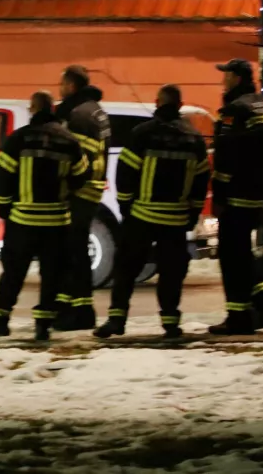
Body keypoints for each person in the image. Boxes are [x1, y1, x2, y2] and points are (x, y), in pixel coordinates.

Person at [0, 91, 90, 341]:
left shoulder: (19, 139)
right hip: (56, 222)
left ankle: (0, 321)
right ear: (52, 109)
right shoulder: (68, 141)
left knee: (12, 274)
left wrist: (4, 208)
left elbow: (3, 176)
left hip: (23, 220)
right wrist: (65, 194)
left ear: (32, 110)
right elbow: (81, 176)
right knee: (52, 275)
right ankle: (43, 325)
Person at [94, 85, 209, 340]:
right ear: (180, 106)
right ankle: (170, 323)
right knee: (171, 273)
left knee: (126, 269)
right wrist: (192, 213)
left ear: (157, 102)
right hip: (175, 219)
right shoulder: (194, 138)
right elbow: (201, 181)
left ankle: (116, 320)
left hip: (142, 216)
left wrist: (126, 206)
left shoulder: (143, 133)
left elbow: (126, 173)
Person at [210, 59, 263, 335]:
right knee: (246, 252)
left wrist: (219, 193)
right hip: (258, 191)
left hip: (236, 192)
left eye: (226, 75)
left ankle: (238, 315)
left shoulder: (235, 109)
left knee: (231, 256)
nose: (223, 81)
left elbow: (226, 154)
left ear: (236, 78)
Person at [53, 65, 111, 331]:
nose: (60, 89)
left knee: (72, 252)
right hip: (92, 189)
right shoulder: (96, 111)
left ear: (71, 86)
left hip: (78, 192)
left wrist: (65, 186)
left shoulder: (78, 115)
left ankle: (80, 312)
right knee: (74, 251)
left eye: (62, 84)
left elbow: (76, 158)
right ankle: (71, 308)